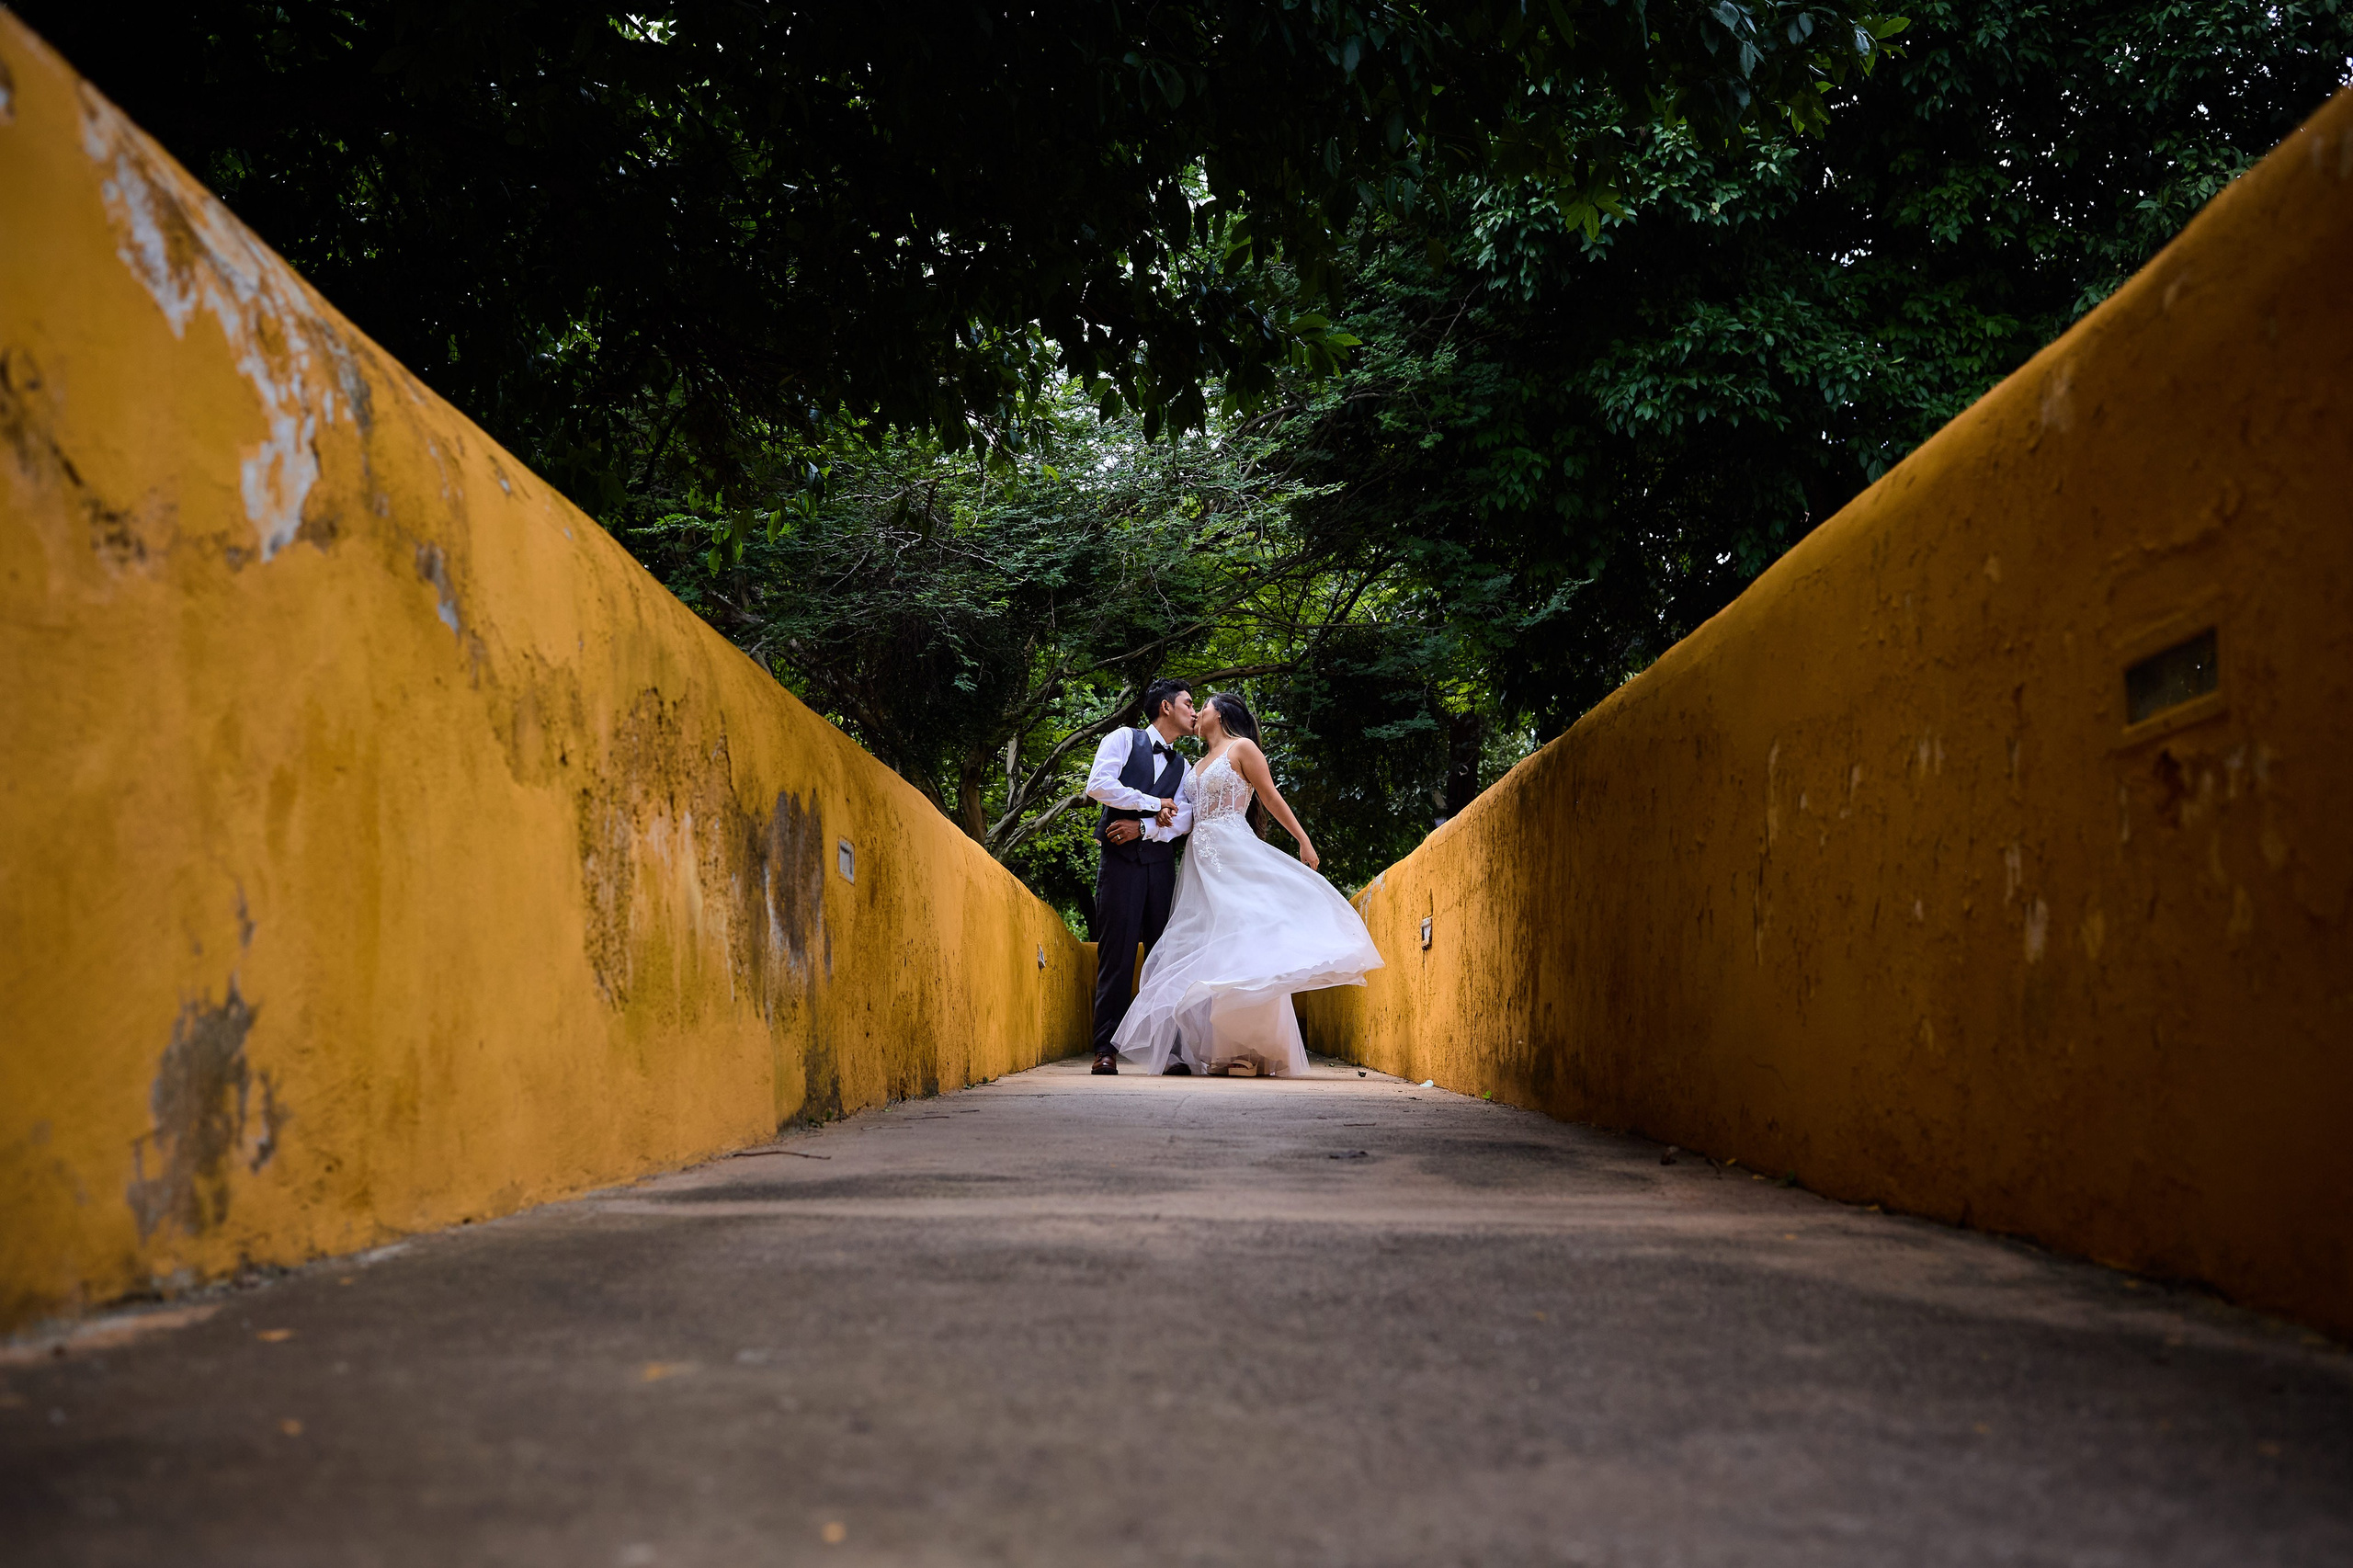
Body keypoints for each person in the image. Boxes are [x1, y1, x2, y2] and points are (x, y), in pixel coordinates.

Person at [1112, 691, 1382, 1077]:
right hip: (1199, 862)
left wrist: (1303, 841)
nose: (1196, 713)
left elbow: (1271, 797)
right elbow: (1184, 813)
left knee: (1244, 941)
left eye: (1202, 707)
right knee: (1212, 947)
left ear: (1219, 715)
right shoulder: (1194, 765)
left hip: (1234, 851)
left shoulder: (1243, 749)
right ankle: (1223, 1048)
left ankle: (1251, 1048)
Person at [1083, 679, 1198, 1074]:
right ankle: (1106, 1049)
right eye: (1188, 703)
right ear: (1165, 707)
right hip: (1119, 865)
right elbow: (1098, 785)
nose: (1194, 711)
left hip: (1160, 865)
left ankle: (1169, 1051)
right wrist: (1153, 803)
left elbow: (1184, 818)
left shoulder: (1184, 766)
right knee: (1116, 956)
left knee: (1164, 958)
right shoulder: (1123, 739)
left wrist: (1144, 826)